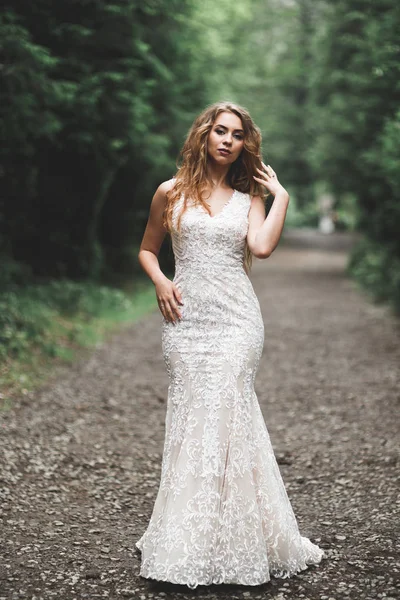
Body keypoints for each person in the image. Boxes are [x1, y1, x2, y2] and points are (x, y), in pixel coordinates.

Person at [135, 101, 324, 588]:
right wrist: (159, 280)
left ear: (245, 145)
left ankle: (232, 543)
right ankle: (186, 536)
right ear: (204, 134)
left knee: (223, 411)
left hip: (238, 323)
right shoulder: (169, 192)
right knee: (195, 419)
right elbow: (147, 249)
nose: (227, 140)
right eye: (220, 131)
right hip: (186, 323)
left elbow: (261, 248)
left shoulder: (249, 197)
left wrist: (279, 193)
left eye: (237, 135)